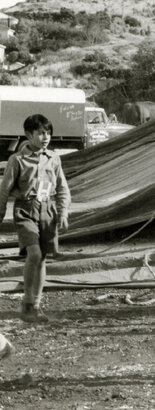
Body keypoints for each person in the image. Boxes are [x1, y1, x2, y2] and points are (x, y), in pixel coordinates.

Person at [0, 114, 70, 323]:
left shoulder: (53, 158)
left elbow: (62, 188)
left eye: (48, 132)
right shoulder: (17, 160)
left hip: (47, 211)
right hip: (26, 210)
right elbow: (4, 190)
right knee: (34, 253)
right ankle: (27, 302)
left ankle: (35, 306)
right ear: (28, 135)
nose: (45, 137)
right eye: (40, 133)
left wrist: (63, 212)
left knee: (42, 258)